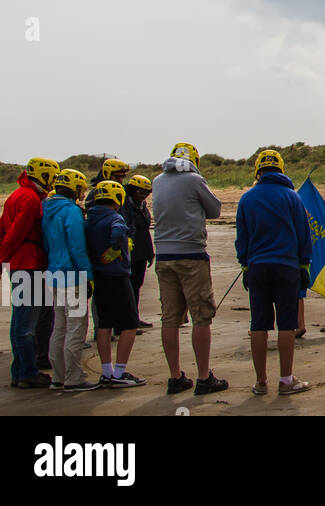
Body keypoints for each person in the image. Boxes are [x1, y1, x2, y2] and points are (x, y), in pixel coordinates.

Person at [152, 142, 227, 395]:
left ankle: (175, 377)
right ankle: (204, 377)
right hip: (191, 254)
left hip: (163, 254)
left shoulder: (157, 181)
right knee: (201, 316)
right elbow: (215, 210)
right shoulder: (195, 180)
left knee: (169, 319)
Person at [235, 150, 312, 396]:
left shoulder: (247, 198)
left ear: (258, 171)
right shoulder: (292, 197)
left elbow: (242, 237)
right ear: (281, 169)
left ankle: (260, 382)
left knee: (259, 324)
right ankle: (286, 380)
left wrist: (245, 264)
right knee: (286, 325)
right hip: (286, 266)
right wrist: (304, 265)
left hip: (258, 266)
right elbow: (304, 234)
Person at [0, 158, 59, 388]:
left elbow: (0, 231)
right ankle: (27, 372)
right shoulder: (30, 199)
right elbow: (14, 234)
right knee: (26, 322)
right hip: (28, 264)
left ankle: (20, 370)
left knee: (21, 319)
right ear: (44, 175)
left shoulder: (17, 195)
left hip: (21, 264)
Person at [42, 169, 98, 392]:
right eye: (82, 189)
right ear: (75, 189)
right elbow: (77, 248)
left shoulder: (47, 208)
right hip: (72, 276)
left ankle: (58, 376)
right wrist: (89, 276)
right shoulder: (71, 211)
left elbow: (47, 244)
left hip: (53, 273)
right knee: (76, 328)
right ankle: (74, 378)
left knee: (60, 327)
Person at [85, 180, 146, 387]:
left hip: (99, 276)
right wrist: (115, 250)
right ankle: (119, 373)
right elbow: (119, 231)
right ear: (117, 199)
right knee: (129, 324)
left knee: (104, 324)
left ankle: (106, 371)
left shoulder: (89, 218)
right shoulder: (114, 216)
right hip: (117, 276)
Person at [122, 174, 155, 328]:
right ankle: (128, 321)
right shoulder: (125, 206)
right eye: (140, 192)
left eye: (146, 193)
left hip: (141, 253)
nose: (143, 195)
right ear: (132, 190)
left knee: (136, 287)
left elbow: (145, 231)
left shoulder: (142, 207)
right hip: (130, 254)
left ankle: (134, 318)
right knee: (128, 289)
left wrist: (150, 252)